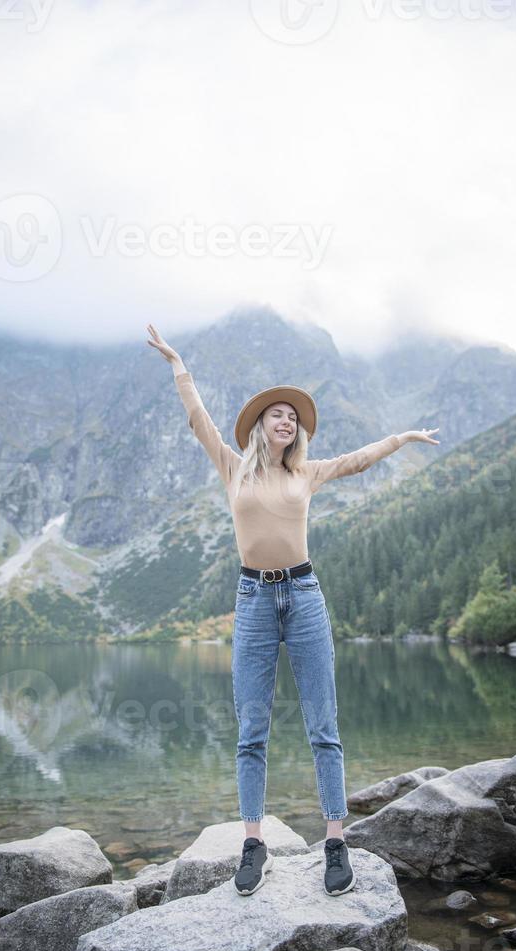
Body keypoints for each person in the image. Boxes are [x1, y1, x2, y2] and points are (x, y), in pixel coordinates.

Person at [146, 322, 439, 897]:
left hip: (304, 597)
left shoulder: (306, 471)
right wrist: (178, 364)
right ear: (260, 425)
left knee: (322, 725)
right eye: (278, 415)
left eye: (294, 418)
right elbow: (197, 418)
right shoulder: (233, 466)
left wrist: (401, 437)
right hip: (254, 599)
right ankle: (252, 845)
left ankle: (335, 843)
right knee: (252, 730)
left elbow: (357, 460)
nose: (287, 421)